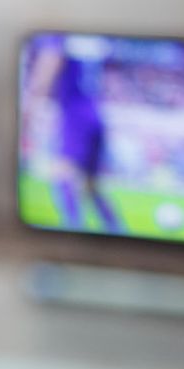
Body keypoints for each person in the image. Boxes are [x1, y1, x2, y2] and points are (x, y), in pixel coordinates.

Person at [34, 39, 120, 232]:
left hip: (74, 113)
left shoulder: (60, 37)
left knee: (62, 173)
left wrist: (36, 96)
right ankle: (116, 229)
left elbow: (50, 62)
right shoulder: (89, 42)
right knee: (92, 185)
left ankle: (71, 229)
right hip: (96, 112)